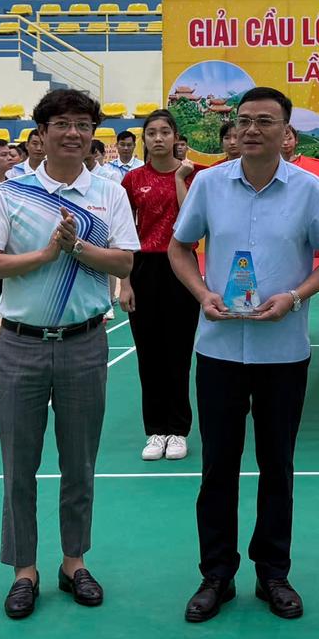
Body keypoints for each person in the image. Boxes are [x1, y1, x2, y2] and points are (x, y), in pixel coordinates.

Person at [168, 86, 319, 623]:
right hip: (218, 348)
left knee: (277, 466)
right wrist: (202, 294)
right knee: (218, 466)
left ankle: (273, 573)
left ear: (286, 132)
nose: (251, 129)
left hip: (283, 352)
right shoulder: (208, 184)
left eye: (265, 121)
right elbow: (179, 247)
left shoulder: (310, 189)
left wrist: (296, 296)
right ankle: (216, 575)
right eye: (244, 120)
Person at [0, 87, 139, 621]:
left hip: (84, 343)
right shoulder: (11, 193)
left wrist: (78, 248)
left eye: (83, 125)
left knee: (80, 462)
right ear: (41, 135)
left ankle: (74, 562)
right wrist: (45, 254)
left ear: (93, 134)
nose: (73, 133)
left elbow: (125, 264)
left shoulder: (109, 193)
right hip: (20, 344)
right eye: (62, 124)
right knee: (19, 464)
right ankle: (24, 570)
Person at [119, 108, 196, 461]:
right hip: (143, 268)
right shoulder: (133, 180)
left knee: (178, 354)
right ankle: (156, 430)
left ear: (176, 137)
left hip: (182, 267)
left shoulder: (193, 175)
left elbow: (191, 222)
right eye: (151, 133)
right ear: (145, 139)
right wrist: (125, 283)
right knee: (148, 355)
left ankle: (178, 430)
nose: (159, 138)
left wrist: (180, 178)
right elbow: (123, 233)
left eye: (165, 132)